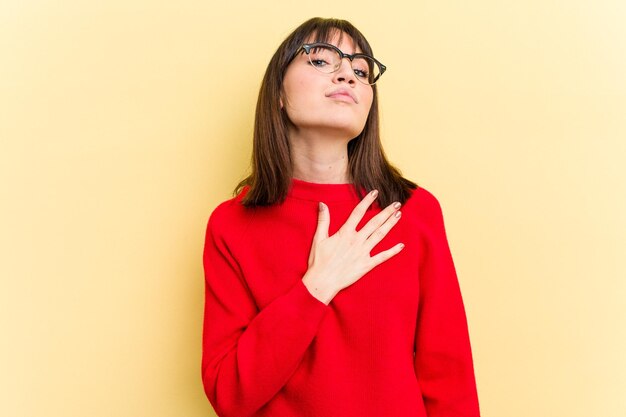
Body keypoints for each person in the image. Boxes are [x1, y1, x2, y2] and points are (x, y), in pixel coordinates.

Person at [201, 17, 480, 417]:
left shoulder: (413, 211)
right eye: (320, 61)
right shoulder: (232, 225)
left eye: (361, 70)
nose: (347, 73)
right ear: (278, 93)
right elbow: (230, 396)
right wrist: (316, 286)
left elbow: (449, 377)